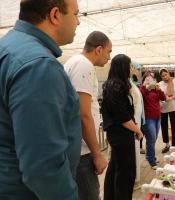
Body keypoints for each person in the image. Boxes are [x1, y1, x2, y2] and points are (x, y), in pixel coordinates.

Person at [0, 0, 81, 199]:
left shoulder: (8, 47)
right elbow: (43, 168)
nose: (78, 22)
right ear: (55, 15)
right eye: (76, 14)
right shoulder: (39, 66)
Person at [64, 31, 112, 200]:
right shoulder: (84, 65)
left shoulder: (75, 62)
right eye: (108, 51)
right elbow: (83, 114)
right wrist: (97, 154)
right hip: (82, 152)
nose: (109, 57)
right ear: (98, 50)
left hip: (76, 148)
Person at [102, 54, 143, 200]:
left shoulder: (117, 84)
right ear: (123, 67)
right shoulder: (115, 86)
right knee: (125, 174)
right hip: (121, 135)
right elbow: (123, 118)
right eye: (130, 65)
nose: (132, 68)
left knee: (115, 169)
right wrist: (138, 130)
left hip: (120, 134)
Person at [140, 71, 166, 169]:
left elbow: (163, 98)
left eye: (152, 78)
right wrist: (144, 86)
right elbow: (141, 96)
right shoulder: (143, 89)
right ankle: (151, 160)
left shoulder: (155, 89)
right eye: (148, 78)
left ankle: (149, 156)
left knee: (153, 139)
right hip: (148, 118)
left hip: (157, 117)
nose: (150, 80)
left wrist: (159, 89)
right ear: (145, 79)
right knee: (151, 139)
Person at [159, 68, 175, 153]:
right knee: (164, 127)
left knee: (174, 126)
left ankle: (174, 145)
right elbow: (159, 95)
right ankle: (167, 145)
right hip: (163, 107)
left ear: (168, 73)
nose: (165, 77)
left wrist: (173, 97)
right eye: (162, 76)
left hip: (174, 107)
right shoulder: (159, 84)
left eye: (166, 74)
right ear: (161, 77)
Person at [129, 71, 145, 188]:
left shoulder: (132, 84)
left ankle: (134, 178)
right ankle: (132, 180)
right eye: (130, 66)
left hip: (136, 122)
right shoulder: (124, 85)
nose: (133, 69)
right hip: (131, 124)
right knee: (131, 154)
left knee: (135, 152)